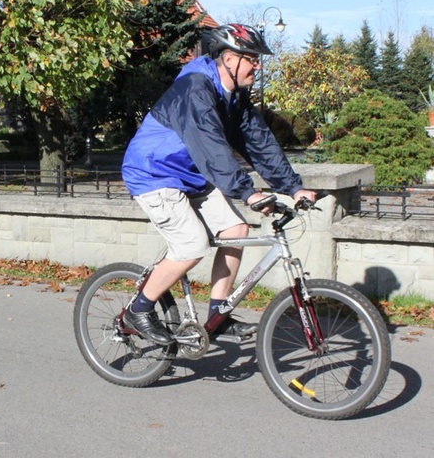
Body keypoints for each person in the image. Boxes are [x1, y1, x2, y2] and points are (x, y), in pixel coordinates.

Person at [121, 24, 317, 345]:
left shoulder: (235, 97)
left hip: (192, 173)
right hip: (154, 172)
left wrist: (292, 187)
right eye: (251, 58)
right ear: (228, 58)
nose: (258, 65)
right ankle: (139, 309)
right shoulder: (195, 88)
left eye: (257, 59)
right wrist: (247, 191)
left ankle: (217, 313)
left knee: (236, 232)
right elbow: (211, 147)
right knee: (192, 245)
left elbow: (259, 143)